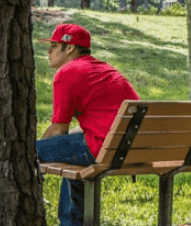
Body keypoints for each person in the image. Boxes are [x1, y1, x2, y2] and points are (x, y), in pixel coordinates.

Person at [36, 24, 139, 226]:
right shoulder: (105, 69)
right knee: (72, 157)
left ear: (70, 48)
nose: (48, 51)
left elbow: (59, 129)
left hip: (105, 148)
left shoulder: (68, 72)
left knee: (26, 153)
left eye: (54, 45)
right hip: (132, 148)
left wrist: (39, 148)